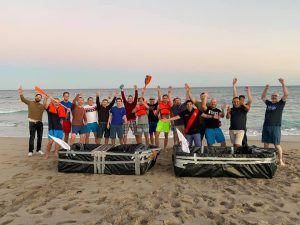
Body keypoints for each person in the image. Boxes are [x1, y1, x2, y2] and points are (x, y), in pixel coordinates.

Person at [261, 78, 288, 166]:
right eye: (273, 96)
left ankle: (280, 160)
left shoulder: (280, 103)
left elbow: (286, 94)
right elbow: (263, 97)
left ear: (278, 97)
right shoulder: (268, 103)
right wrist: (266, 88)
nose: (274, 97)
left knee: (277, 144)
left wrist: (283, 83)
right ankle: (266, 159)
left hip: (276, 126)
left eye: (275, 96)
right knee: (266, 144)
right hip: (266, 126)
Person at [18, 85, 45, 157]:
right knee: (32, 137)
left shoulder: (42, 106)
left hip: (40, 124)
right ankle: (30, 151)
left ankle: (38, 150)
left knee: (40, 137)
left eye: (40, 97)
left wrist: (46, 98)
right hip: (32, 123)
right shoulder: (30, 103)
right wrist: (20, 93)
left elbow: (46, 106)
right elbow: (23, 99)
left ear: (41, 99)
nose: (38, 98)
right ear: (35, 97)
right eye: (37, 97)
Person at [232, 78, 252, 146]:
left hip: (242, 128)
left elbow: (250, 101)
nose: (241, 101)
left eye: (243, 100)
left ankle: (245, 151)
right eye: (240, 99)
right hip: (234, 129)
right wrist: (234, 85)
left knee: (244, 141)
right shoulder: (235, 105)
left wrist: (248, 91)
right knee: (236, 143)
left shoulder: (244, 107)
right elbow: (235, 95)